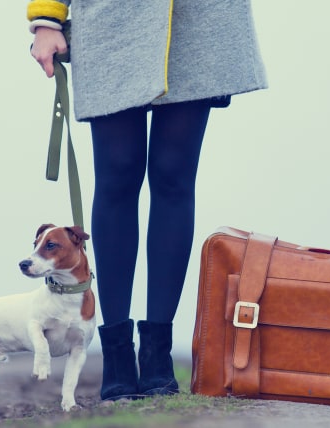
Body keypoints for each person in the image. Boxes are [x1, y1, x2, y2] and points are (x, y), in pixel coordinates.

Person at [27, 0, 267, 400]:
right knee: (117, 175)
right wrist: (46, 18)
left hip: (199, 18)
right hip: (112, 19)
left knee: (174, 176)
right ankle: (117, 356)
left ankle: (157, 357)